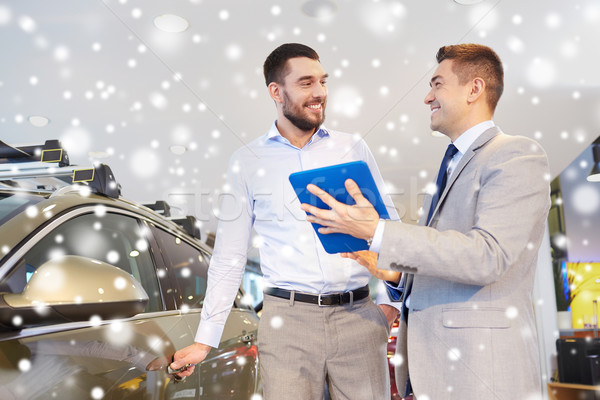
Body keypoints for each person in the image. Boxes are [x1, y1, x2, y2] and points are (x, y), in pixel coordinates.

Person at [300, 43, 551, 400]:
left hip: (482, 372)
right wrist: (397, 275)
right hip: (436, 371)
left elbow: (488, 256)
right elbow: (449, 266)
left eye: (437, 84)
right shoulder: (450, 166)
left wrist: (379, 231)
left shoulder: (516, 154)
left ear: (474, 89)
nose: (427, 97)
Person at [170, 43, 400, 399]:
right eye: (306, 82)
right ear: (276, 91)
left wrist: (390, 304)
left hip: (359, 317)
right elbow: (229, 256)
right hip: (287, 321)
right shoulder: (247, 160)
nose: (320, 92)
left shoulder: (352, 147)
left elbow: (390, 230)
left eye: (323, 82)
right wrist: (205, 339)